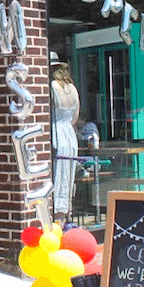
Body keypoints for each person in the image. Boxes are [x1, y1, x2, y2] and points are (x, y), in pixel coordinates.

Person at [50, 52, 80, 223]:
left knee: (58, 175)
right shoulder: (73, 89)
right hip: (70, 134)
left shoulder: (52, 87)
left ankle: (58, 218)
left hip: (57, 134)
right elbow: (75, 118)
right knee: (68, 175)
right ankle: (66, 213)